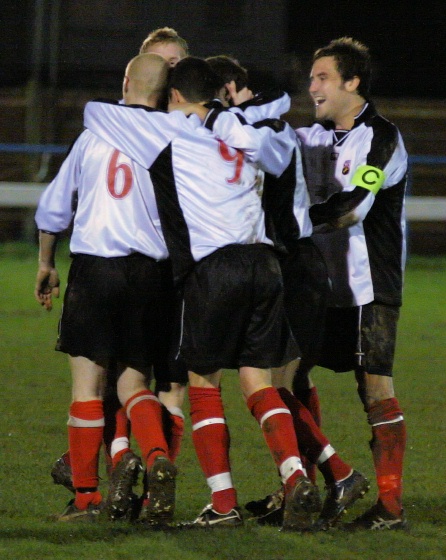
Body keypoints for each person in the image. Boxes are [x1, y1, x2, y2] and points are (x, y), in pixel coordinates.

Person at [83, 56, 324, 532]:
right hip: (265, 263)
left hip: (215, 269)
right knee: (258, 382)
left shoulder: (171, 132)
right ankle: (295, 475)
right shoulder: (246, 133)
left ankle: (223, 502)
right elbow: (274, 137)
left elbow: (95, 113)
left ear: (175, 97)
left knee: (204, 386)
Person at [207, 54, 371, 529]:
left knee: (267, 385)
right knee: (284, 384)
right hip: (291, 265)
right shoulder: (264, 127)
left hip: (291, 267)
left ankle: (332, 475)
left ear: (230, 90)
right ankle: (309, 485)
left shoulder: (259, 131)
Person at [35, 53, 182, 524]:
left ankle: (85, 499)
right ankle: (157, 454)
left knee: (88, 384)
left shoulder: (92, 134)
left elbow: (56, 206)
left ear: (125, 82)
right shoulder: (172, 138)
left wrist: (45, 262)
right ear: (163, 94)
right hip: (148, 274)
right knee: (136, 381)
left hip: (95, 268)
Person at [293, 37, 408, 531]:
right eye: (312, 77)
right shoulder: (312, 137)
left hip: (368, 288)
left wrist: (290, 221)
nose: (312, 86)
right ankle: (317, 484)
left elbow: (352, 207)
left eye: (322, 77)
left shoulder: (382, 137)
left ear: (351, 81)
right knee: (285, 380)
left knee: (375, 390)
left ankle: (390, 506)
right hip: (318, 287)